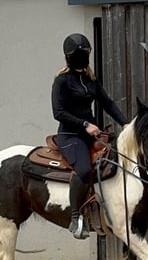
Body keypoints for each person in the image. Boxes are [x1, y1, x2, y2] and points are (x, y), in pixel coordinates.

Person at [51, 33, 128, 239]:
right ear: (69, 57)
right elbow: (58, 112)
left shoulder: (91, 79)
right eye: (79, 54)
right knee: (84, 170)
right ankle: (75, 218)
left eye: (85, 53)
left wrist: (126, 123)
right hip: (70, 136)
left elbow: (108, 103)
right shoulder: (62, 81)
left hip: (91, 135)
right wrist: (85, 124)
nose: (82, 56)